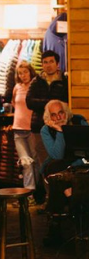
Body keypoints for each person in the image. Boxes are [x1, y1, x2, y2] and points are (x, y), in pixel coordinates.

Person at [40, 100, 88, 245]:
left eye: (60, 112)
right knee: (55, 169)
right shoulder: (46, 130)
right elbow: (57, 155)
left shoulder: (79, 121)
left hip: (77, 163)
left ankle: (55, 228)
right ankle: (74, 203)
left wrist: (72, 166)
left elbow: (88, 151)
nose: (58, 118)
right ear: (49, 117)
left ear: (65, 111)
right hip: (58, 164)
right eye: (53, 115)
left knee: (56, 176)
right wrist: (60, 132)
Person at [26, 50, 68, 203]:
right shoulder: (36, 81)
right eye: (45, 62)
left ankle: (57, 200)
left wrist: (46, 103)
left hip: (59, 130)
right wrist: (51, 103)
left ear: (57, 64)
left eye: (51, 61)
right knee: (42, 164)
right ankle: (48, 199)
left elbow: (64, 102)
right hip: (38, 128)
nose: (48, 65)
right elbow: (29, 102)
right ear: (41, 64)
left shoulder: (64, 81)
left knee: (57, 163)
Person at [11, 60, 41, 205]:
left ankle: (35, 194)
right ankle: (28, 196)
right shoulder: (17, 87)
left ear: (30, 71)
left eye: (25, 72)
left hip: (31, 129)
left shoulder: (35, 86)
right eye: (20, 73)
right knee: (26, 163)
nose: (23, 75)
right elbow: (13, 104)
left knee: (35, 162)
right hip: (18, 129)